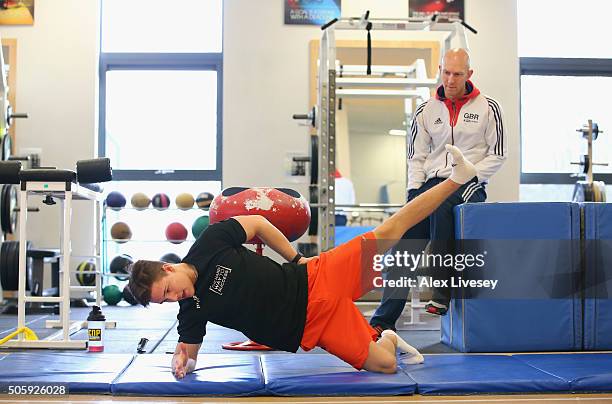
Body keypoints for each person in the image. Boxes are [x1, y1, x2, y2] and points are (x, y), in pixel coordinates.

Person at [127, 145, 477, 378]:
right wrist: (180, 361)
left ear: (168, 268)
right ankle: (384, 336)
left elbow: (260, 224)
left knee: (392, 229)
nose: (175, 298)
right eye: (166, 301)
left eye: (168, 290)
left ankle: (456, 178)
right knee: (384, 364)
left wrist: (297, 257)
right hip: (313, 328)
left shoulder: (210, 242)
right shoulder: (191, 309)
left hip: (316, 278)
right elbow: (188, 353)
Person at [370, 48, 507, 332]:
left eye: (457, 74)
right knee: (404, 246)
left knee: (444, 208)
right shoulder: (426, 110)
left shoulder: (489, 108)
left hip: (470, 183)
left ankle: (441, 294)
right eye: (446, 72)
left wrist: (471, 175)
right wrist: (413, 194)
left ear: (469, 74)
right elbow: (416, 157)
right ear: (440, 71)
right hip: (433, 182)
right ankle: (382, 322)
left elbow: (498, 154)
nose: (451, 79)